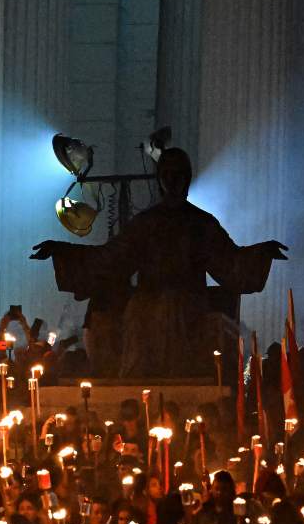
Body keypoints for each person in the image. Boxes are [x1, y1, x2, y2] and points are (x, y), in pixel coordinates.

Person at [31, 148, 287, 378]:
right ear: (161, 179)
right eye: (169, 174)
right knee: (148, 317)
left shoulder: (201, 223)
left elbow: (230, 261)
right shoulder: (146, 223)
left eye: (179, 174)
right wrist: (62, 251)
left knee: (173, 313)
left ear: (187, 178)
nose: (174, 180)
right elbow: (110, 259)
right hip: (147, 308)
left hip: (188, 306)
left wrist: (260, 253)